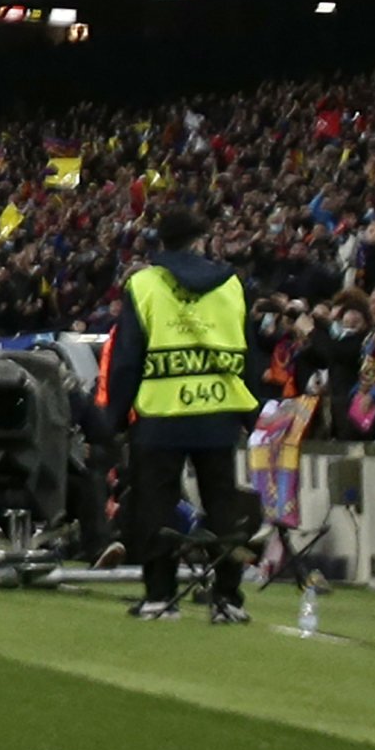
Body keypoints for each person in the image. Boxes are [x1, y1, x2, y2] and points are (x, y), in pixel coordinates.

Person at [96, 202, 260, 623]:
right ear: (200, 240)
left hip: (161, 414)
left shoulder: (144, 284)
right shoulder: (232, 284)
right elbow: (248, 350)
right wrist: (251, 413)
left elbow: (128, 358)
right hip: (219, 409)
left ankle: (160, 596)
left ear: (161, 243)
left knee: (157, 506)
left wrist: (114, 418)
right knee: (223, 505)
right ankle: (226, 598)